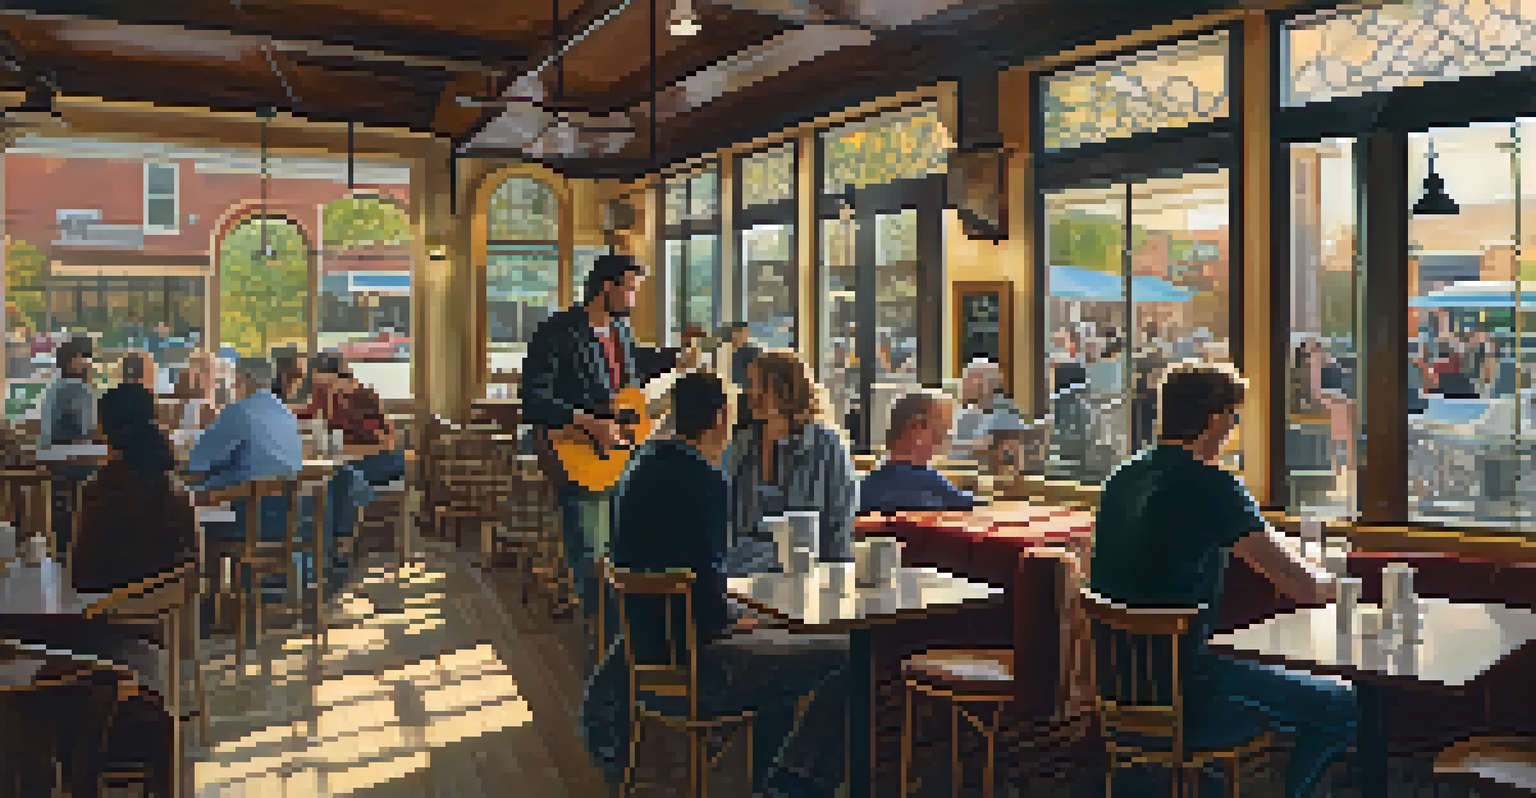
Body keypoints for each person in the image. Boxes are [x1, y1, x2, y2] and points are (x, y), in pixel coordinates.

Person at [1089, 361, 1353, 798]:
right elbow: (1301, 586)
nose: (1233, 428)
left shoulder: (1122, 479)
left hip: (1118, 691)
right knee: (1341, 703)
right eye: (1234, 417)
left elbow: (1254, 539)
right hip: (1193, 695)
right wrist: (1346, 585)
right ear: (1215, 419)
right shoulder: (1212, 485)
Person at [584, 371, 850, 797]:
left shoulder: (639, 469)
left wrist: (732, 616)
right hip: (700, 668)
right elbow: (707, 598)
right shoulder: (704, 481)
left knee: (781, 644)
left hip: (649, 658)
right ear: (721, 417)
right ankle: (794, 783)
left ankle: (775, 777)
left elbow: (683, 576)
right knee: (845, 656)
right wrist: (732, 620)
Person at [520, 254, 676, 625]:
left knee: (624, 554)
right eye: (630, 289)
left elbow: (632, 382)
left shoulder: (622, 332)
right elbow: (533, 399)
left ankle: (621, 637)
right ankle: (603, 636)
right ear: (607, 286)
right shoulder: (556, 332)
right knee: (591, 558)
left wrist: (676, 361)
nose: (634, 299)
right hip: (577, 456)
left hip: (622, 457)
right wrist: (589, 423)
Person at [721, 349, 857, 574]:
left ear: (789, 390)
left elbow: (839, 522)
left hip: (806, 572)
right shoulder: (740, 445)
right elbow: (725, 520)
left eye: (762, 386)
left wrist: (836, 579)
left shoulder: (826, 446)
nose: (751, 394)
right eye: (749, 385)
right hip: (739, 572)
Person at [187, 357, 311, 595]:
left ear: (242, 380)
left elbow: (198, 459)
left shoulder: (239, 411)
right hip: (289, 518)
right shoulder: (286, 412)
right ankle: (240, 594)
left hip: (250, 520)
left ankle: (208, 600)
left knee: (195, 519)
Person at [75, 372, 195, 593]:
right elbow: (190, 558)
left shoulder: (101, 490)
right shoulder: (174, 487)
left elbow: (82, 576)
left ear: (103, 429)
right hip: (170, 604)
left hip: (110, 608)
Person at [860, 390, 977, 513]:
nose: (945, 439)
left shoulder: (863, 490)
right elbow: (974, 508)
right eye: (943, 429)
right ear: (918, 430)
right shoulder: (930, 489)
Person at [39, 336, 98, 447]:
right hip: (72, 450)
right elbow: (87, 428)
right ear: (70, 360)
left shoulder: (55, 387)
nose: (88, 362)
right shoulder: (77, 389)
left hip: (54, 450)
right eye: (83, 357)